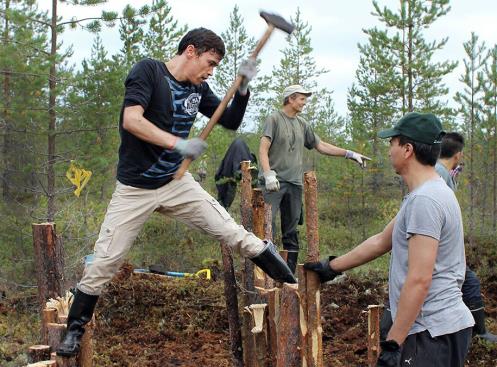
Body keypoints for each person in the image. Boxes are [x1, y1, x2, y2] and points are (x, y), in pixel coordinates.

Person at [56, 28, 296, 358]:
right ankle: (74, 329)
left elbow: (228, 120)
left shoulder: (198, 87)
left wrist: (242, 89)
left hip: (176, 183)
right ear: (191, 51)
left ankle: (291, 281)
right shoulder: (148, 72)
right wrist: (178, 143)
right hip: (135, 188)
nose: (211, 72)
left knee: (232, 232)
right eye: (210, 63)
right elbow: (132, 120)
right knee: (105, 262)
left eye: (216, 67)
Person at [304, 112, 474, 366]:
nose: (388, 150)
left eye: (391, 143)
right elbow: (382, 241)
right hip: (437, 329)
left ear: (407, 149)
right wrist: (331, 266)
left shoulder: (425, 201)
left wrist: (394, 342)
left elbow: (419, 279)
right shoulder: (428, 192)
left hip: (431, 333)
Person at [259, 84, 370, 273]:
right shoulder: (274, 119)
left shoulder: (303, 124)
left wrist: (349, 154)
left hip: (294, 183)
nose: (304, 102)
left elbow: (320, 145)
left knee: (291, 230)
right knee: (266, 228)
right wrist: (268, 174)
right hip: (274, 184)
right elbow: (263, 148)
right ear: (291, 99)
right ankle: (263, 274)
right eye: (302, 98)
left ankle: (287, 275)